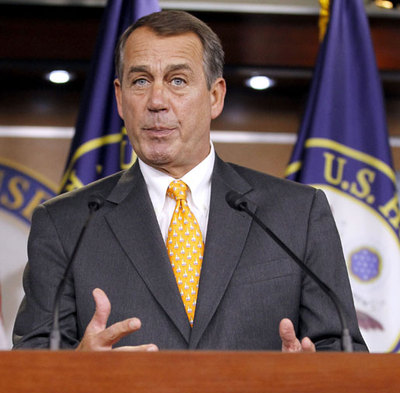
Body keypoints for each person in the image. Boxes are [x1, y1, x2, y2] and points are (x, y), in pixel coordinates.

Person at [13, 10, 366, 352]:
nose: (156, 101)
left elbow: (343, 349)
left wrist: (310, 372)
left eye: (177, 81)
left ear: (215, 96)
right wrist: (79, 368)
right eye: (140, 81)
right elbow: (32, 361)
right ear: (120, 99)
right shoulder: (65, 225)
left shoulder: (298, 214)